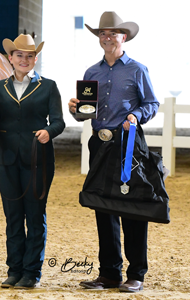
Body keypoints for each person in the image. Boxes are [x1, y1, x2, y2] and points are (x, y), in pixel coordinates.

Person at [68, 12, 159, 293]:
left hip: (128, 143)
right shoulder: (91, 73)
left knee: (133, 207)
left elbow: (151, 103)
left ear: (124, 36)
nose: (107, 37)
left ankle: (136, 274)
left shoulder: (137, 69)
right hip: (100, 144)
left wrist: (136, 114)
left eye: (113, 33)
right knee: (103, 207)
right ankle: (109, 273)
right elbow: (86, 114)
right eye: (102, 33)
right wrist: (75, 111)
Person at [0, 34, 65, 289]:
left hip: (38, 159)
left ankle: (32, 272)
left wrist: (49, 131)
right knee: (13, 217)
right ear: (10, 58)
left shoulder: (48, 86)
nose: (24, 59)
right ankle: (14, 270)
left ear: (36, 58)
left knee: (34, 216)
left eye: (30, 55)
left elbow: (59, 121)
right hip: (6, 159)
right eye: (19, 55)